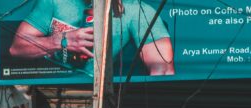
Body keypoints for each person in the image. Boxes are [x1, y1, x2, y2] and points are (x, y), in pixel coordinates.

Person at [9, 0, 175, 76]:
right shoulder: (54, 2)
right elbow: (17, 48)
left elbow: (163, 71)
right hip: (50, 95)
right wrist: (60, 41)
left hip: (103, 98)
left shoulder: (136, 10)